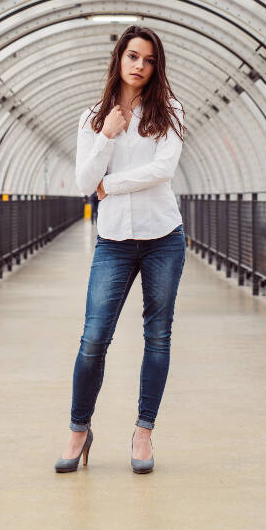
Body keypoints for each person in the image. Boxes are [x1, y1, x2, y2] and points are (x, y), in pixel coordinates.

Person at [55, 25, 186, 474]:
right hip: (112, 242)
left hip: (163, 238)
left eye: (149, 60)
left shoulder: (169, 111)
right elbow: (81, 183)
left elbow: (162, 170)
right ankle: (79, 430)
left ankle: (143, 433)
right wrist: (107, 135)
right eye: (133, 56)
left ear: (156, 66)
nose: (140, 66)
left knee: (158, 336)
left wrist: (109, 184)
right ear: (119, 58)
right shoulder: (93, 115)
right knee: (94, 338)